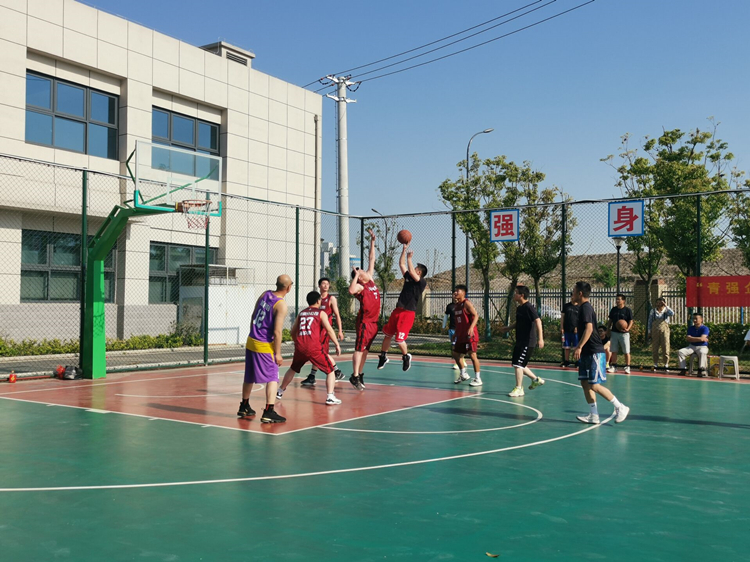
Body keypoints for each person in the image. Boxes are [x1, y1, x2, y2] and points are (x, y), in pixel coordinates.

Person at [572, 281, 630, 424]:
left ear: (580, 293)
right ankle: (594, 415)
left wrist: (579, 346)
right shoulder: (582, 307)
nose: (572, 293)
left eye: (573, 291)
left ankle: (620, 407)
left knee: (594, 385)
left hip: (594, 352)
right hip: (586, 352)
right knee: (585, 383)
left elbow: (589, 329)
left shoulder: (586, 307)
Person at [238, 274, 292, 424]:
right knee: (273, 377)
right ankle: (269, 411)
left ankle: (244, 406)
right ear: (288, 288)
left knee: (249, 375)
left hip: (251, 340)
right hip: (264, 344)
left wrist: (253, 333)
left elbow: (253, 316)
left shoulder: (265, 294)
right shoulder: (281, 304)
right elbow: (277, 331)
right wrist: (278, 354)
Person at [277, 291, 342, 405]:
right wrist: (337, 344)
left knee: (293, 369)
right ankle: (330, 396)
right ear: (318, 301)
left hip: (301, 347)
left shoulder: (301, 313)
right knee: (330, 371)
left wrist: (297, 342)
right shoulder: (321, 313)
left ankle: (280, 391)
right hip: (314, 347)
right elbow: (329, 329)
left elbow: (293, 332)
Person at [376, 244, 428, 372]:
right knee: (387, 335)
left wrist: (410, 258)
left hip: (408, 313)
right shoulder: (409, 277)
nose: (413, 268)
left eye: (415, 268)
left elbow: (411, 271)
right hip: (398, 310)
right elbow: (401, 264)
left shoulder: (421, 282)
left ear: (419, 272)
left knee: (399, 339)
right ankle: (383, 356)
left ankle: (406, 356)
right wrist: (404, 250)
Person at [348, 229, 381, 391]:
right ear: (359, 277)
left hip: (374, 323)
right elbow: (351, 290)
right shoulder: (360, 286)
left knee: (366, 351)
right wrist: (355, 275)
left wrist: (372, 241)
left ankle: (360, 374)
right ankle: (354, 376)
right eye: (360, 271)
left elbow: (372, 258)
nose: (363, 270)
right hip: (365, 323)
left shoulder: (370, 279)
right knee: (359, 349)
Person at [500, 285, 545, 397]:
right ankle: (536, 380)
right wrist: (508, 328)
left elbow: (538, 321)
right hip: (520, 341)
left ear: (522, 295)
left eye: (516, 293)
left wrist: (541, 338)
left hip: (528, 341)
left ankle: (519, 388)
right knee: (518, 364)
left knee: (518, 364)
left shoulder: (529, 307)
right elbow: (519, 322)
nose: (514, 294)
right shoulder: (520, 308)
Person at [299, 277, 344, 386]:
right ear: (319, 286)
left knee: (320, 352)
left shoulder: (331, 299)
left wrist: (340, 330)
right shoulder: (316, 298)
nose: (325, 285)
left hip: (325, 330)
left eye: (327, 284)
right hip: (316, 329)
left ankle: (336, 371)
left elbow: (337, 315)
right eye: (323, 283)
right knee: (318, 352)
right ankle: (313, 376)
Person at [451, 284, 482, 386]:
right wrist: (456, 333)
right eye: (455, 291)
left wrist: (471, 327)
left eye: (458, 291)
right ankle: (463, 374)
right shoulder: (456, 306)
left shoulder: (466, 303)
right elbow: (459, 322)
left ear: (463, 293)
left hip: (470, 335)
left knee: (472, 355)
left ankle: (478, 379)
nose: (455, 292)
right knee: (455, 354)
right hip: (461, 335)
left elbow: (476, 315)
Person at [606, 294, 633, 374]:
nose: (617, 301)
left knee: (626, 351)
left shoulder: (627, 310)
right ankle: (614, 366)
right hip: (614, 332)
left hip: (624, 333)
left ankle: (627, 367)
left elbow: (631, 321)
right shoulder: (614, 309)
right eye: (616, 299)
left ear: (623, 301)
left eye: (619, 299)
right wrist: (608, 329)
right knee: (614, 350)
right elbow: (610, 320)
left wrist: (628, 328)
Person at [647, 297, 674, 371]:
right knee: (655, 347)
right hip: (655, 330)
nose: (658, 304)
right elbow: (649, 321)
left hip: (665, 330)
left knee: (665, 346)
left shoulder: (666, 311)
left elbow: (672, 313)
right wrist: (649, 331)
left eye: (660, 303)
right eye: (657, 303)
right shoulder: (653, 311)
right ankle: (655, 363)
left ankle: (666, 364)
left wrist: (666, 305)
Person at [443, 300, 465, 371]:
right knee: (454, 346)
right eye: (454, 295)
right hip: (452, 329)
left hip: (461, 329)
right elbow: (446, 316)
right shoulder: (450, 306)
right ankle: (460, 361)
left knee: (459, 346)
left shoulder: (464, 305)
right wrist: (443, 326)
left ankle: (459, 362)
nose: (455, 297)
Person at [560, 299, 579, 367]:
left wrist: (578, 327)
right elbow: (562, 317)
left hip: (576, 331)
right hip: (567, 330)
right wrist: (562, 327)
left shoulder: (580, 307)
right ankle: (566, 361)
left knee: (576, 346)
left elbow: (581, 319)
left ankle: (577, 361)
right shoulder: (566, 306)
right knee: (566, 346)